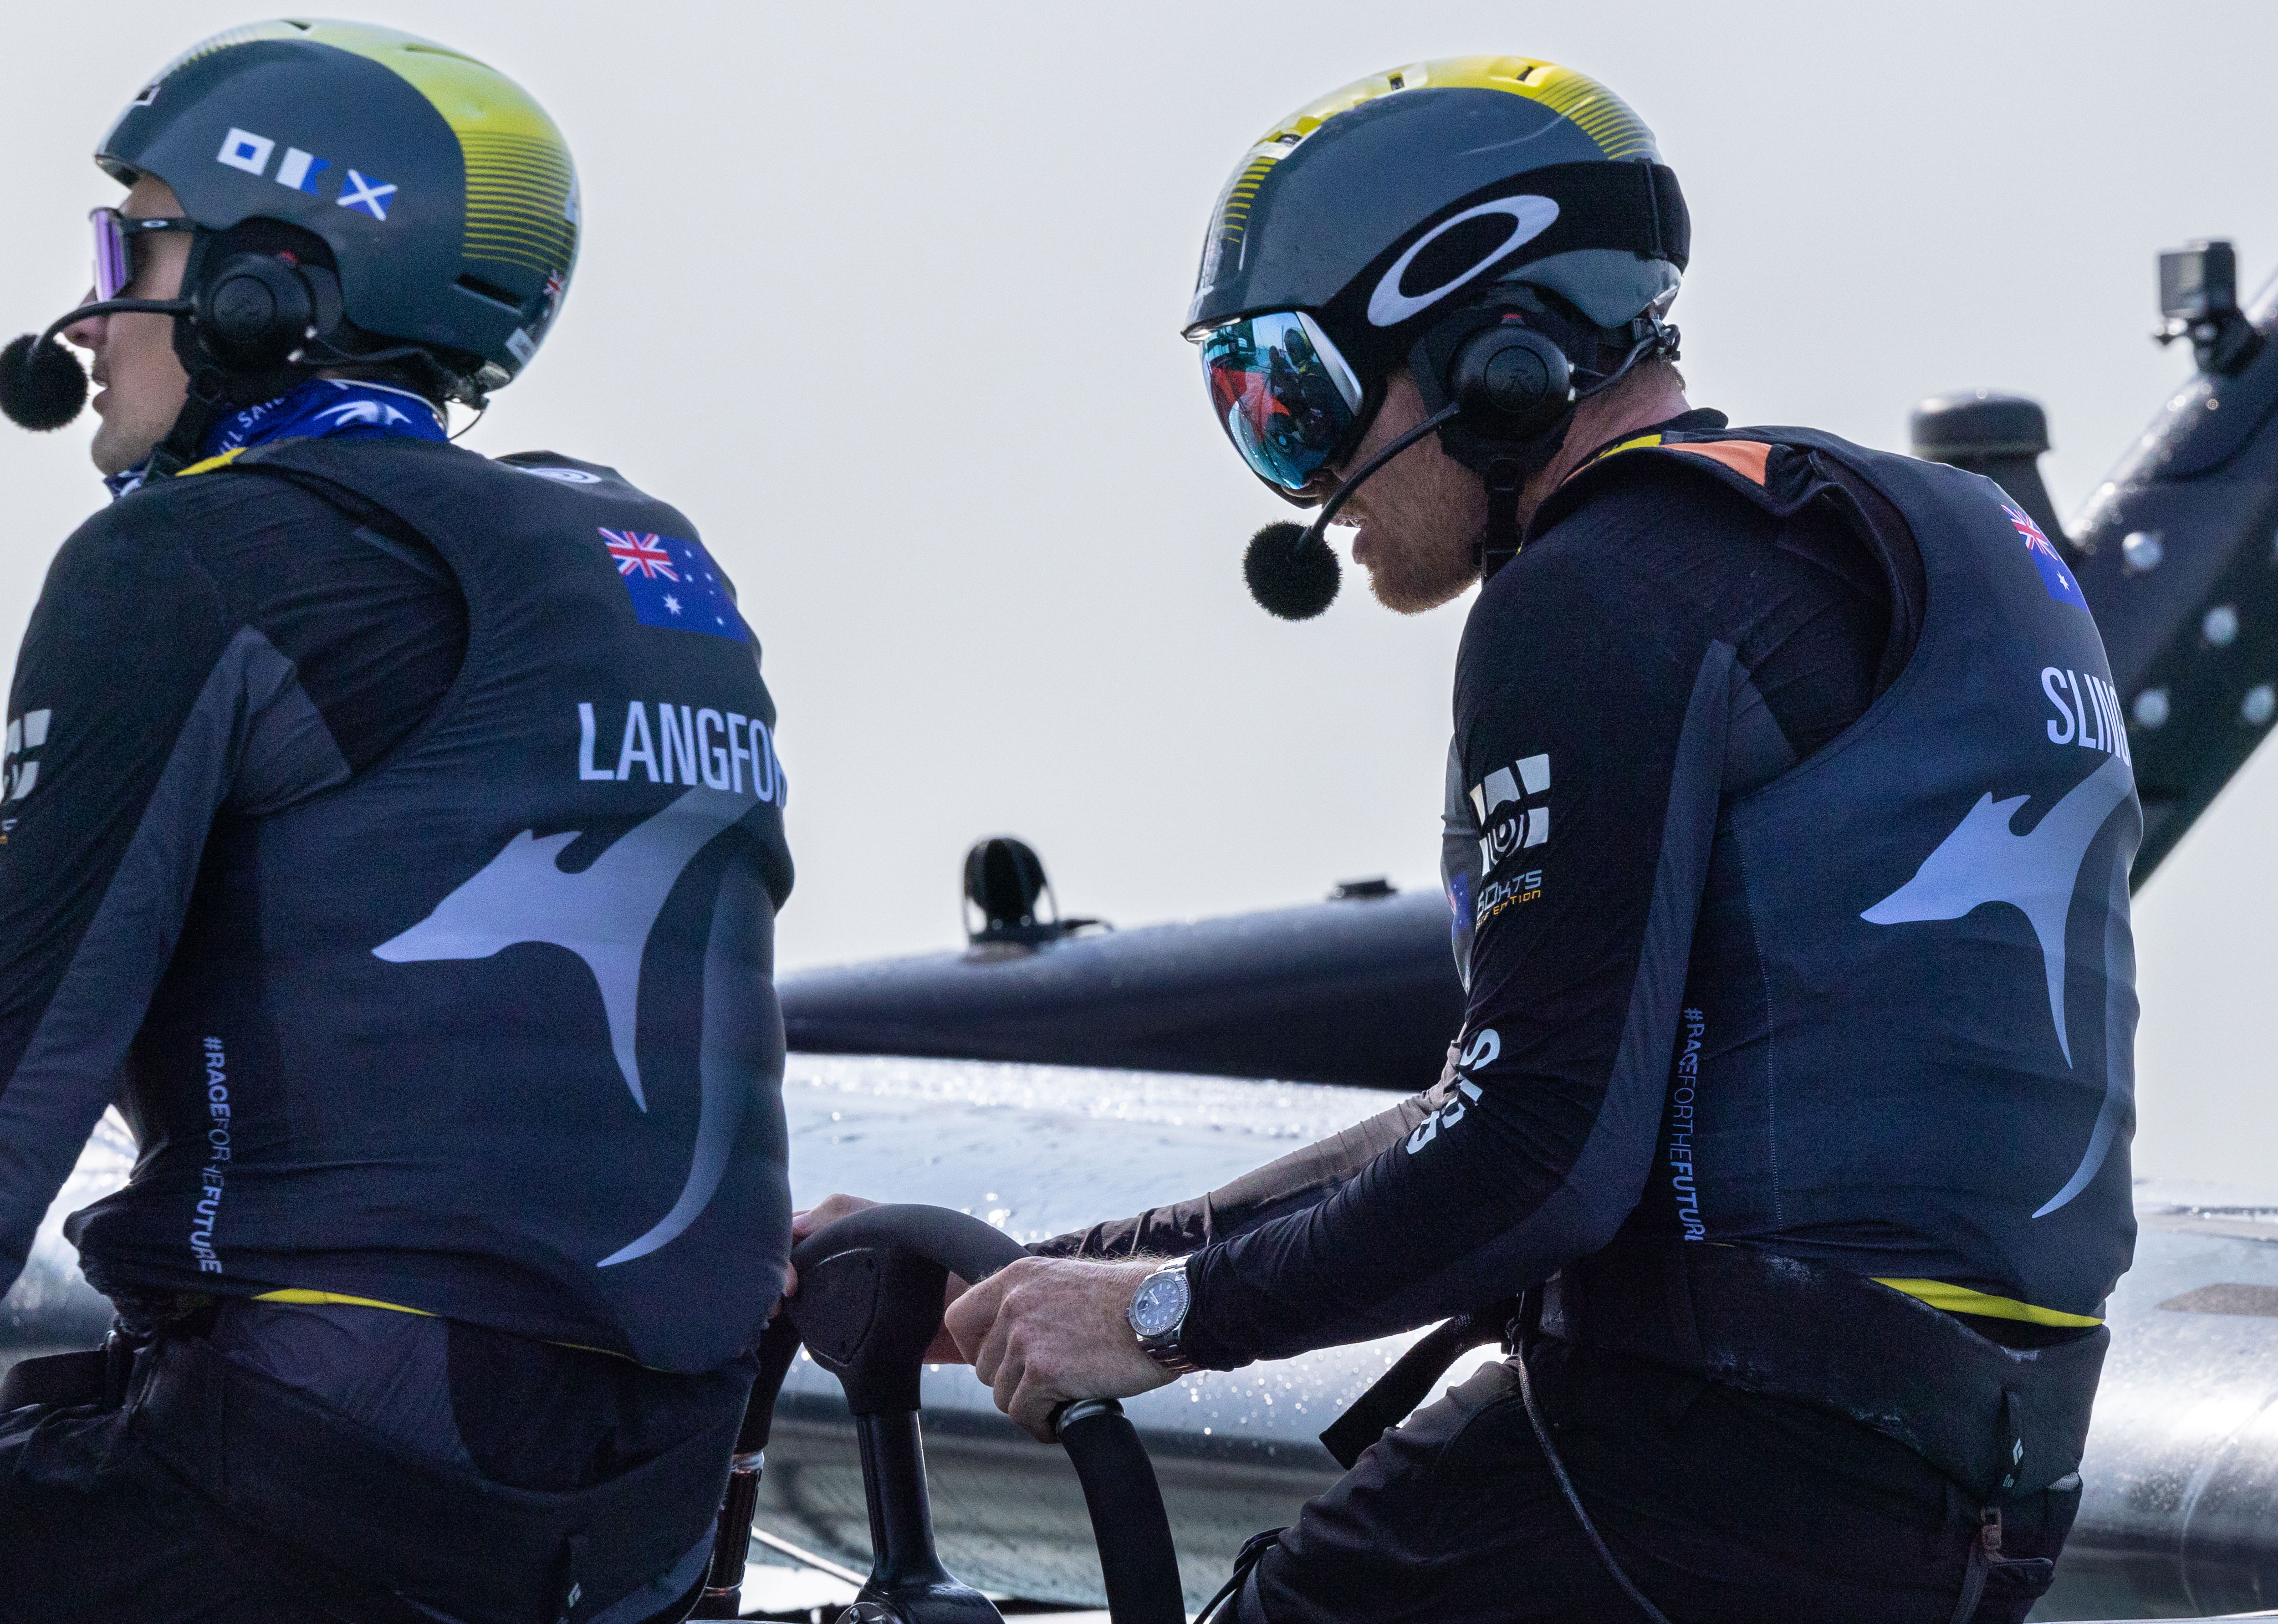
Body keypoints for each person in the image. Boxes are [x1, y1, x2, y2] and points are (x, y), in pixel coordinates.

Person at [801, 55, 2134, 1624]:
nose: (1306, 482)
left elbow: (1535, 1160)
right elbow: (1504, 1112)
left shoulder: (1597, 589)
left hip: (1697, 1462)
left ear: (1498, 362)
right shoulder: (1912, 537)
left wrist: (1163, 1319)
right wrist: (1052, 1279)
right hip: (1975, 1494)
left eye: (1297, 398)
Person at [0, 20, 795, 1624]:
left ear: (269, 290)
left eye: (136, 244)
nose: (90, 315)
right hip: (636, 1531)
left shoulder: (192, 560)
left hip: (323, 1482)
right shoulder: (647, 560)